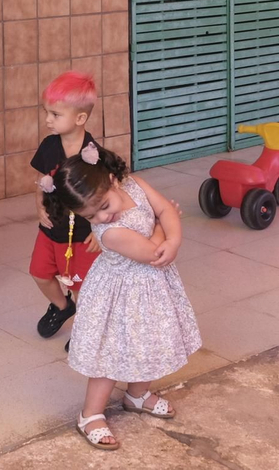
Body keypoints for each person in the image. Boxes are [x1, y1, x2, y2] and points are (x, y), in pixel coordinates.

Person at [52, 143, 202, 452]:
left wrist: (172, 235)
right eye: (91, 215)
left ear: (111, 180)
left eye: (104, 206)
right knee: (112, 353)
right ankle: (90, 414)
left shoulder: (136, 184)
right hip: (119, 294)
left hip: (149, 289)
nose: (103, 217)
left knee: (146, 342)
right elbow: (151, 252)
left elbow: (164, 209)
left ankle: (137, 395)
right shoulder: (111, 232)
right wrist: (164, 229)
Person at [30, 71, 103, 341]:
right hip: (50, 228)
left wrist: (100, 230)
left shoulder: (94, 156)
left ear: (80, 118)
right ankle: (62, 307)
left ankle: (85, 334)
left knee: (83, 287)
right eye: (46, 112)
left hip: (83, 235)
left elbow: (107, 197)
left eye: (55, 114)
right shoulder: (49, 145)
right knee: (39, 273)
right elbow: (39, 180)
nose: (48, 120)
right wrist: (39, 206)